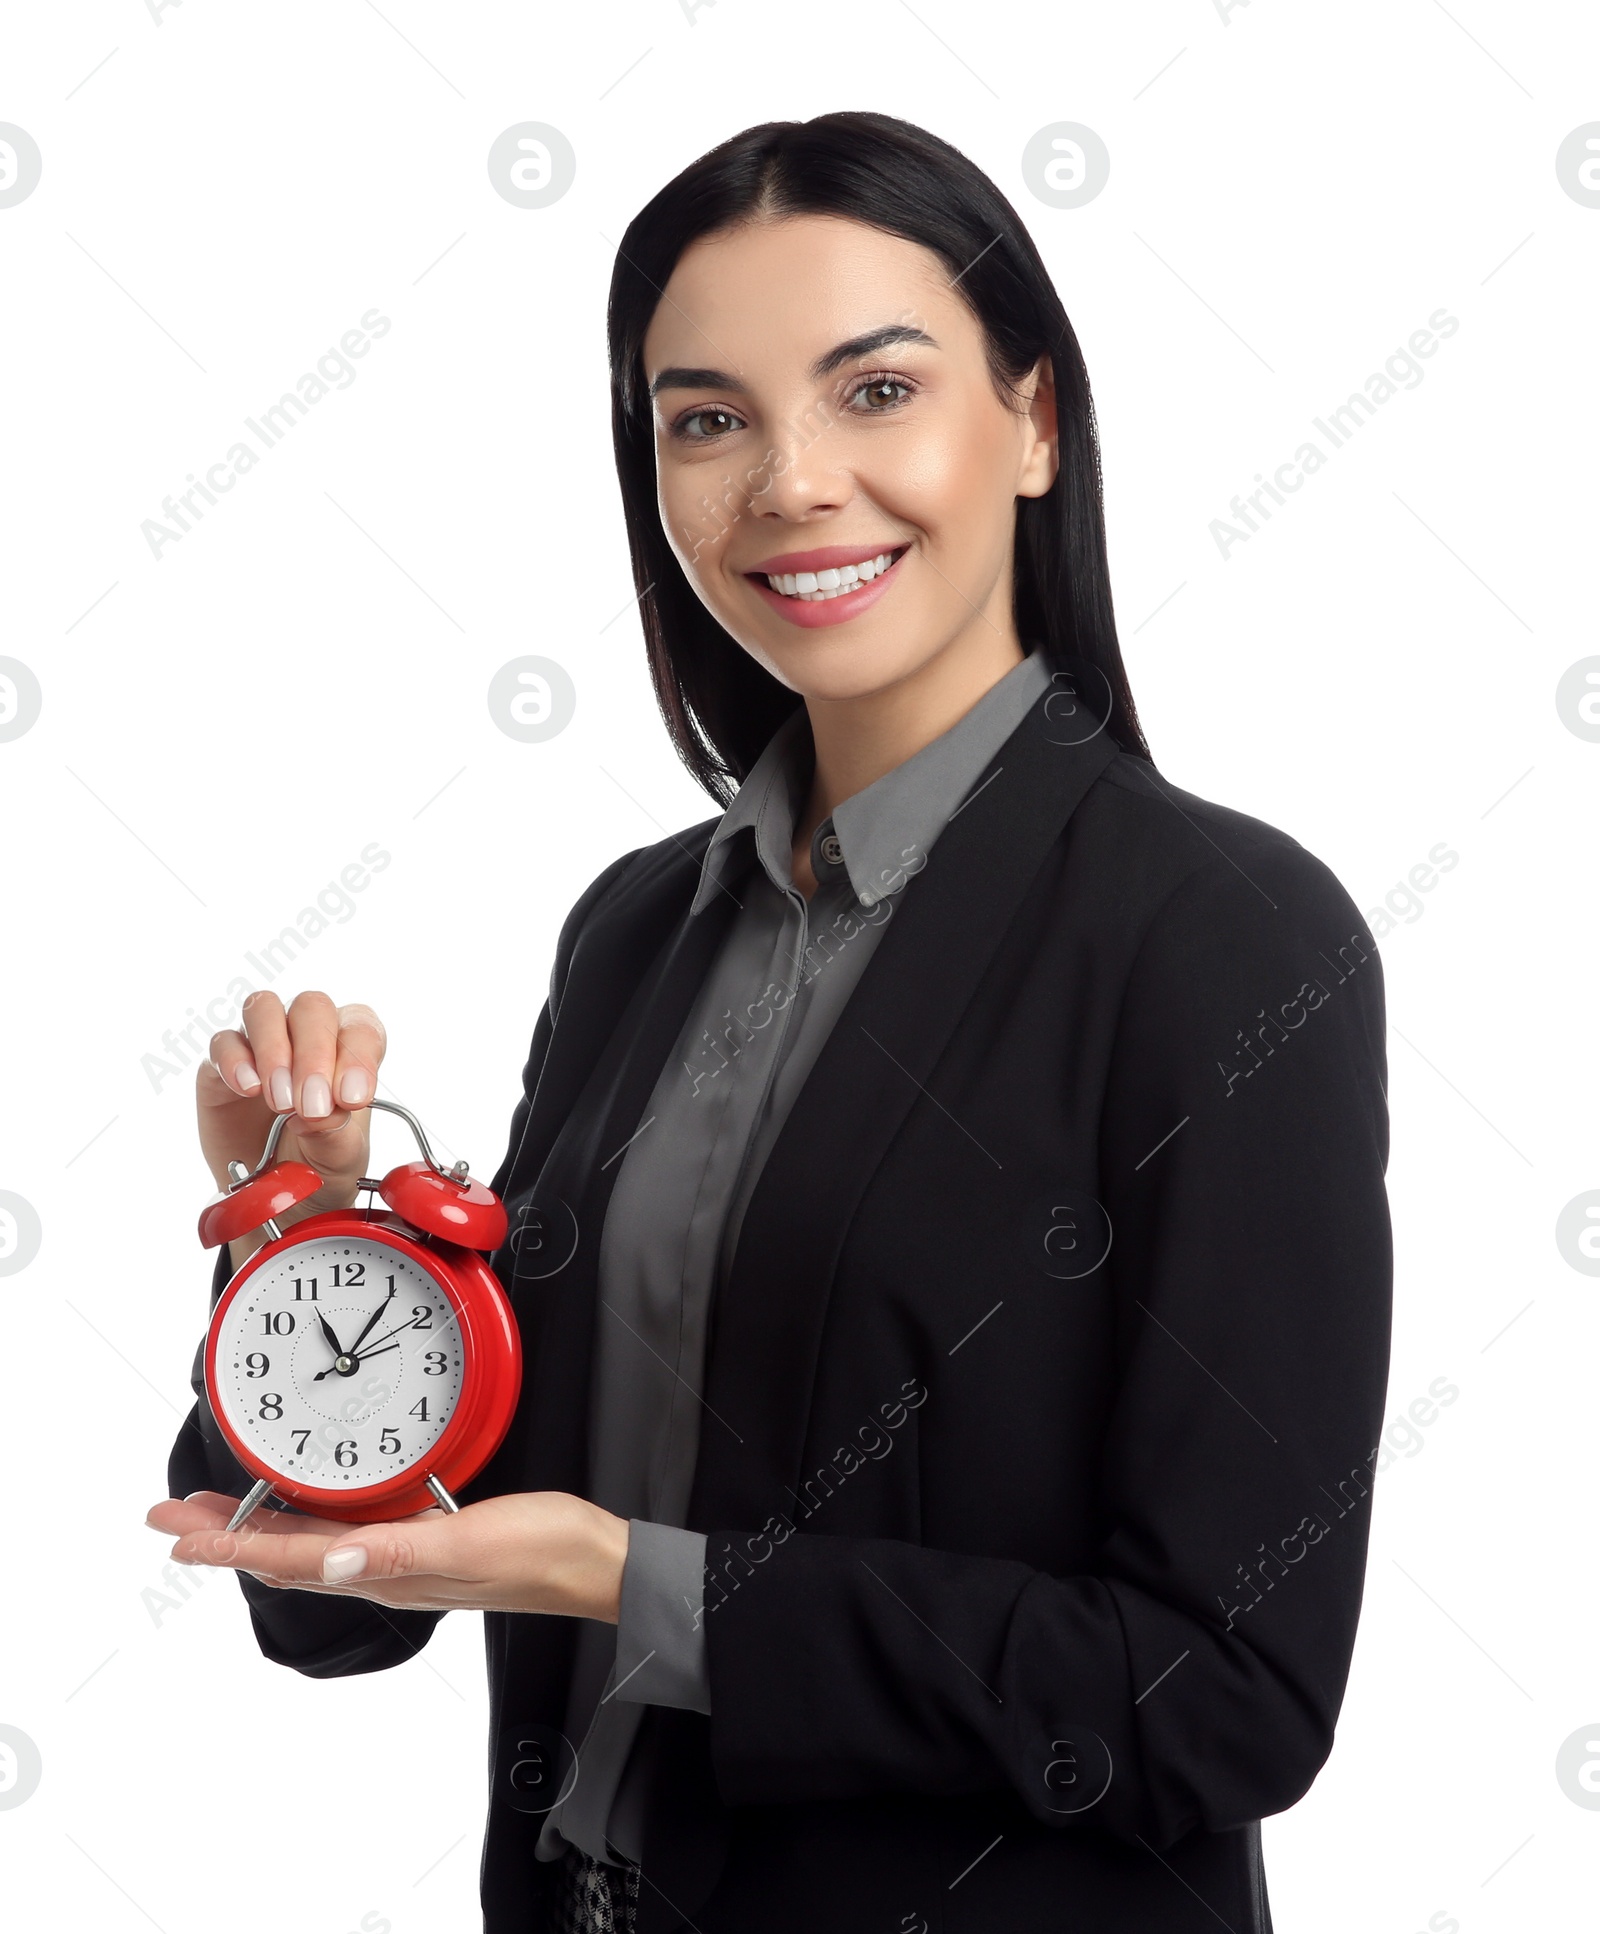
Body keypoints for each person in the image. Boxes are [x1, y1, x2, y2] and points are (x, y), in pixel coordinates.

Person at [149, 112, 1392, 1934]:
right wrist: (318, 1228)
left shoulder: (1225, 937)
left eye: (874, 391)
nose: (792, 482)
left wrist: (637, 1583)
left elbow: (1221, 1695)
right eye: (708, 417)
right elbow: (342, 1591)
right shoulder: (641, 926)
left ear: (1033, 422)